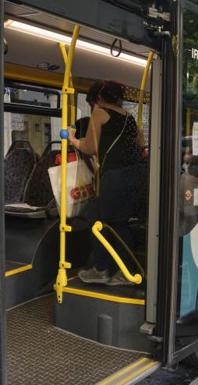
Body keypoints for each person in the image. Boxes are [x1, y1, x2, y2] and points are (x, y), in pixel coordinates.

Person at [69, 80, 145, 286]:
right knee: (119, 223)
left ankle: (102, 269)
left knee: (93, 216)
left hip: (116, 177)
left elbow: (90, 147)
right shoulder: (128, 117)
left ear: (99, 98)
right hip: (136, 176)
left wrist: (72, 139)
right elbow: (140, 143)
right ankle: (124, 271)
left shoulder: (100, 113)